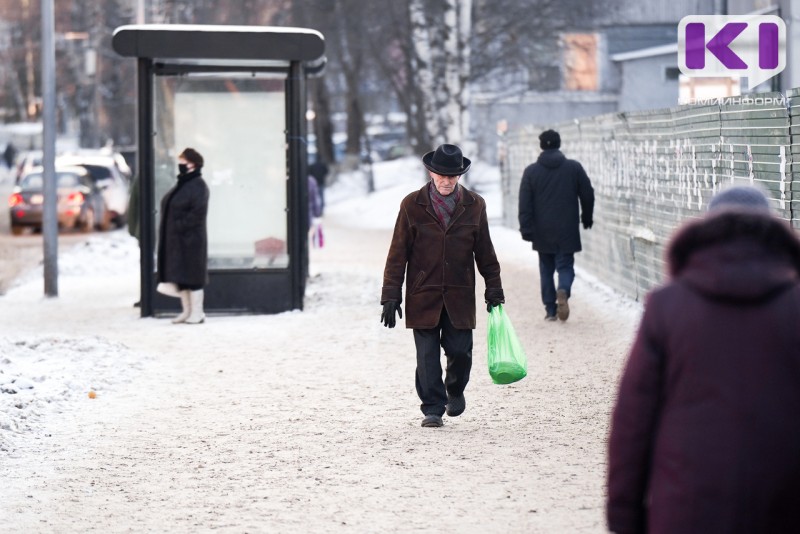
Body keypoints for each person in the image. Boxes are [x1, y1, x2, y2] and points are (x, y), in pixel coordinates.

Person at [607, 185, 800, 534]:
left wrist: (624, 516)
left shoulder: (668, 306)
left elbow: (633, 422)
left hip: (685, 505)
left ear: (708, 228)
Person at [381, 144, 505, 428]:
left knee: (460, 352)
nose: (447, 181)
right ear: (431, 172)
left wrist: (493, 288)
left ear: (460, 176)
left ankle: (455, 389)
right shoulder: (412, 204)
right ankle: (433, 408)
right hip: (422, 293)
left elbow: (485, 252)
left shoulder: (474, 205)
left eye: (453, 176)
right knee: (426, 357)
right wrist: (391, 295)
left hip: (459, 294)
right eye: (441, 175)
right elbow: (397, 253)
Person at [518, 129, 594, 322]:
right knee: (565, 266)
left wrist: (526, 228)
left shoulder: (531, 172)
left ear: (541, 146)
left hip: (542, 231)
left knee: (546, 269)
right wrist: (587, 217)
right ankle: (563, 290)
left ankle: (551, 310)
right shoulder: (574, 168)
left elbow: (524, 203)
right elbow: (587, 193)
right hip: (567, 228)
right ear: (559, 144)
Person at [157, 148, 210, 324]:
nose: (179, 165)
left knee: (193, 277)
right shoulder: (183, 183)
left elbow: (197, 213)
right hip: (177, 240)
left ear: (192, 164)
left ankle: (197, 312)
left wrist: (179, 225)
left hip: (191, 240)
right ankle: (186, 311)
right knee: (182, 278)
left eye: (182, 162)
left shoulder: (198, 185)